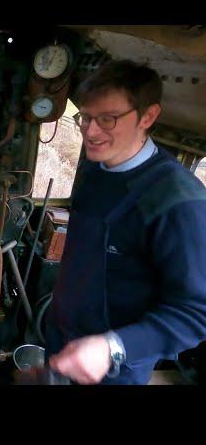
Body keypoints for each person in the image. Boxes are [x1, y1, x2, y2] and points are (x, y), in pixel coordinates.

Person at [45, 60, 206, 385]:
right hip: (63, 339)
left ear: (147, 116)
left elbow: (196, 315)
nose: (90, 131)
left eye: (107, 119)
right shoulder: (96, 169)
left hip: (113, 367)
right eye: (86, 117)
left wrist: (111, 348)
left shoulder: (178, 202)